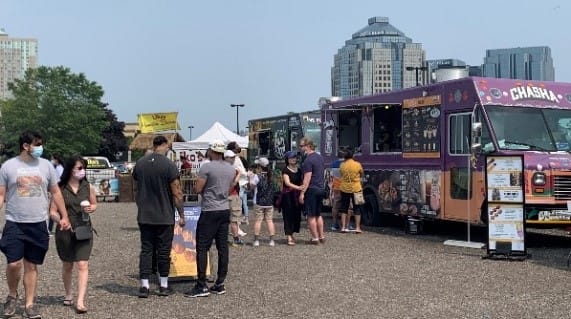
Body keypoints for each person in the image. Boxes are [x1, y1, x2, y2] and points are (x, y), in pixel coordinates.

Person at [0, 130, 71, 319]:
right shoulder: (8, 167)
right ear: (25, 146)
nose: (40, 148)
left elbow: (56, 193)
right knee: (14, 263)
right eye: (37, 144)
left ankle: (30, 304)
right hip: (15, 222)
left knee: (31, 265)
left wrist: (64, 216)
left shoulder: (46, 166)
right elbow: (1, 195)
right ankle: (12, 295)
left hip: (38, 223)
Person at [133, 135, 185, 298]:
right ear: (165, 145)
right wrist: (181, 214)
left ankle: (144, 286)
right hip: (164, 215)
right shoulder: (169, 166)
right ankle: (163, 285)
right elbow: (176, 193)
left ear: (153, 145)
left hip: (145, 215)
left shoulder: (140, 164)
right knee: (163, 251)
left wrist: (140, 204)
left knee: (146, 250)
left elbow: (135, 188)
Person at [184, 140, 236, 298]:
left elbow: (198, 188)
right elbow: (229, 188)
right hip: (224, 209)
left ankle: (201, 285)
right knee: (222, 247)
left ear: (212, 151)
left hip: (209, 209)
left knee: (202, 247)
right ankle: (220, 283)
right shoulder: (230, 168)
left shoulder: (207, 167)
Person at [49, 155, 98, 314]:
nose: (82, 171)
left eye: (84, 168)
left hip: (84, 229)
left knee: (83, 264)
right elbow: (52, 212)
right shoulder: (59, 188)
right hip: (65, 231)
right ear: (70, 169)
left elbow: (94, 203)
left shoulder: (88, 186)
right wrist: (60, 220)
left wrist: (92, 208)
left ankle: (80, 301)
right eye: (79, 168)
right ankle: (68, 293)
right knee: (68, 264)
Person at [298, 137, 326, 245]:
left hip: (312, 189)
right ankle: (321, 236)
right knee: (318, 214)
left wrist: (302, 193)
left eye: (301, 146)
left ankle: (315, 238)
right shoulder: (320, 157)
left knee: (310, 215)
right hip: (320, 188)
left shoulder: (308, 160)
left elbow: (307, 178)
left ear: (308, 146)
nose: (300, 148)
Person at [249, 157, 277, 247]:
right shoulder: (272, 176)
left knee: (258, 221)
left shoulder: (257, 176)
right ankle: (272, 241)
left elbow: (251, 187)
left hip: (259, 202)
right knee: (269, 221)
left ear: (260, 167)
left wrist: (250, 178)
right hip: (269, 202)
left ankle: (256, 241)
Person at [280, 151, 303, 246]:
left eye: (294, 157)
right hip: (288, 195)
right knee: (288, 215)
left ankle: (292, 233)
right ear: (287, 159)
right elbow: (287, 182)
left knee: (296, 215)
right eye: (291, 158)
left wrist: (302, 190)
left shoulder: (299, 169)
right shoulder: (285, 170)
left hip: (297, 196)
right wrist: (298, 187)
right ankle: (289, 235)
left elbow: (302, 181)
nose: (293, 159)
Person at [339, 150, 364, 233]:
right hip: (356, 188)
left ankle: (343, 227)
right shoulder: (357, 164)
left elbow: (341, 175)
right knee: (357, 208)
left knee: (344, 208)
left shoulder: (342, 165)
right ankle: (357, 228)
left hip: (345, 188)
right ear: (353, 156)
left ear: (344, 157)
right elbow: (362, 173)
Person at [224, 150, 244, 247]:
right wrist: (238, 175)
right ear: (226, 158)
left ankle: (225, 238)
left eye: (233, 157)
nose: (233, 159)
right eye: (231, 157)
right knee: (234, 219)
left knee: (225, 219)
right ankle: (235, 239)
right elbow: (234, 183)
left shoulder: (220, 169)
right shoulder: (234, 170)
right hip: (232, 195)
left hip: (223, 196)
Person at [226, 142, 250, 225]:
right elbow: (240, 171)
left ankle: (241, 220)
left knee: (242, 203)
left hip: (242, 183)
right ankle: (238, 222)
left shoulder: (236, 158)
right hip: (239, 183)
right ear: (232, 149)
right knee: (238, 204)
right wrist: (247, 174)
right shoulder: (235, 159)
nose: (239, 148)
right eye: (237, 147)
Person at [48, 153, 65, 234]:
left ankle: (51, 228)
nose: (51, 160)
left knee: (52, 211)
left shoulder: (59, 168)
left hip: (57, 192)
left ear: (56, 160)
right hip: (57, 191)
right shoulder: (59, 168)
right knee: (55, 210)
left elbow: (58, 181)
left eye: (52, 158)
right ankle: (50, 228)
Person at [329, 150, 346, 231]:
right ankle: (345, 225)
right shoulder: (346, 164)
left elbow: (332, 175)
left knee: (335, 206)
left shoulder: (333, 163)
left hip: (336, 187)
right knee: (346, 206)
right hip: (346, 187)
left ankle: (334, 224)